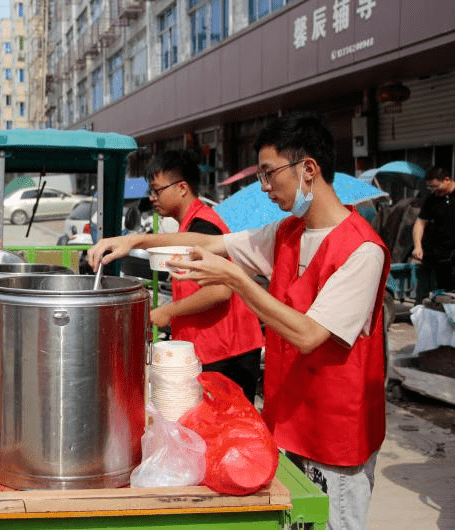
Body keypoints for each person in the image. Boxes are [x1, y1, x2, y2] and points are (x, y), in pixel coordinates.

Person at [89, 113, 389, 530]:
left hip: (334, 435)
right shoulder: (288, 232)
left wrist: (235, 278)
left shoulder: (362, 251)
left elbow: (309, 335)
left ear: (308, 169)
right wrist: (135, 241)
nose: (265, 189)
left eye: (269, 174)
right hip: (288, 422)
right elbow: (211, 241)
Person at [144, 150, 264, 402]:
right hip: (214, 348)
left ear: (182, 188)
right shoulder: (190, 226)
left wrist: (169, 311)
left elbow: (220, 291)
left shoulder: (204, 226)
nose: (153, 198)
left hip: (228, 352)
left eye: (157, 190)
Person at [412, 166, 455, 296]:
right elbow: (420, 222)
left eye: (436, 186)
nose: (434, 190)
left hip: (453, 253)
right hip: (437, 255)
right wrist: (417, 246)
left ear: (447, 180)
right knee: (440, 295)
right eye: (430, 187)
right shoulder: (432, 199)